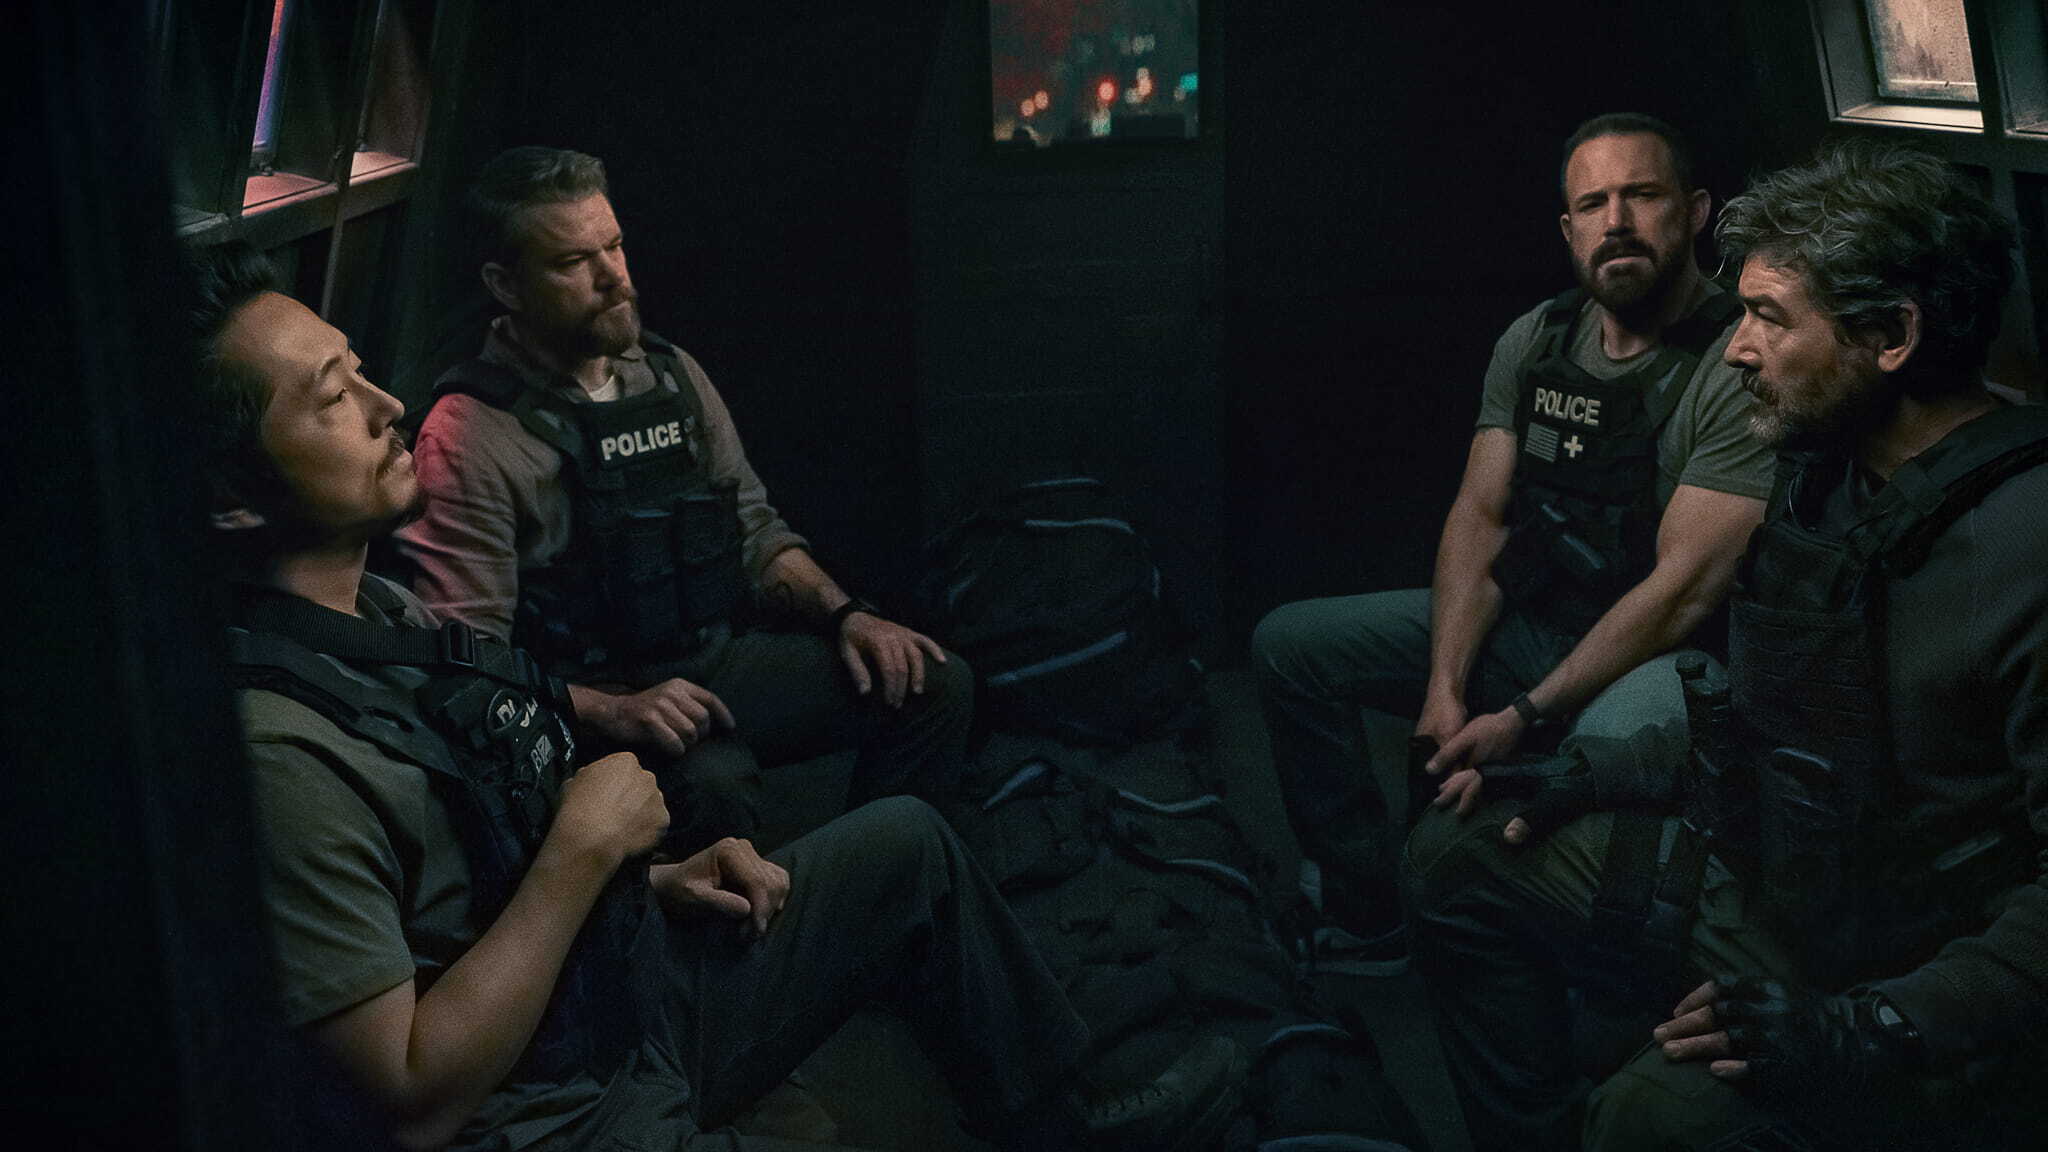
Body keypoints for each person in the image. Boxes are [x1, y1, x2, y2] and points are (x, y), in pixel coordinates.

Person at [188, 242, 1246, 1152]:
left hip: (605, 981)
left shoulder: (386, 618)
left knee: (908, 841)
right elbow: (410, 1103)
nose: (386, 408)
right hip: (543, 1102)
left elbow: (746, 526)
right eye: (332, 397)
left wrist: (654, 882)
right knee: (721, 782)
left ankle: (1069, 1120)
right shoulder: (279, 752)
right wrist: (583, 852)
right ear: (231, 503)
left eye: (362, 370)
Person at [1404, 140, 2048, 1152]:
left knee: (1643, 1121)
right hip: (1797, 888)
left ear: (1888, 334)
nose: (1736, 349)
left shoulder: (2023, 547)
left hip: (1920, 970)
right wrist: (1590, 770)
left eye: (1767, 318)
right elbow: (1771, 718)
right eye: (1738, 312)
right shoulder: (1825, 482)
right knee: (1455, 864)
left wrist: (1864, 1026)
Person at [1253, 113, 1772, 968]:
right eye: (1593, 203)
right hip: (1539, 616)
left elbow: (1681, 592)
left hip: (1663, 659)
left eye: (1642, 196)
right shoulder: (1538, 341)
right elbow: (1480, 518)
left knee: (1568, 776)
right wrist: (1446, 687)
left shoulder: (1736, 358)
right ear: (1568, 229)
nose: (1617, 223)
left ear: (1696, 210)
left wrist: (1524, 716)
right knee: (1291, 647)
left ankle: (1585, 986)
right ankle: (1368, 904)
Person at [393, 146, 969, 848]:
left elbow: (753, 531)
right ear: (505, 285)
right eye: (574, 263)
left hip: (710, 660)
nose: (613, 278)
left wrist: (849, 615)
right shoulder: (468, 436)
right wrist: (613, 710)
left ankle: (874, 891)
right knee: (714, 786)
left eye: (615, 246)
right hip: (594, 698)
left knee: (931, 684)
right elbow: (467, 663)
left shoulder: (668, 376)